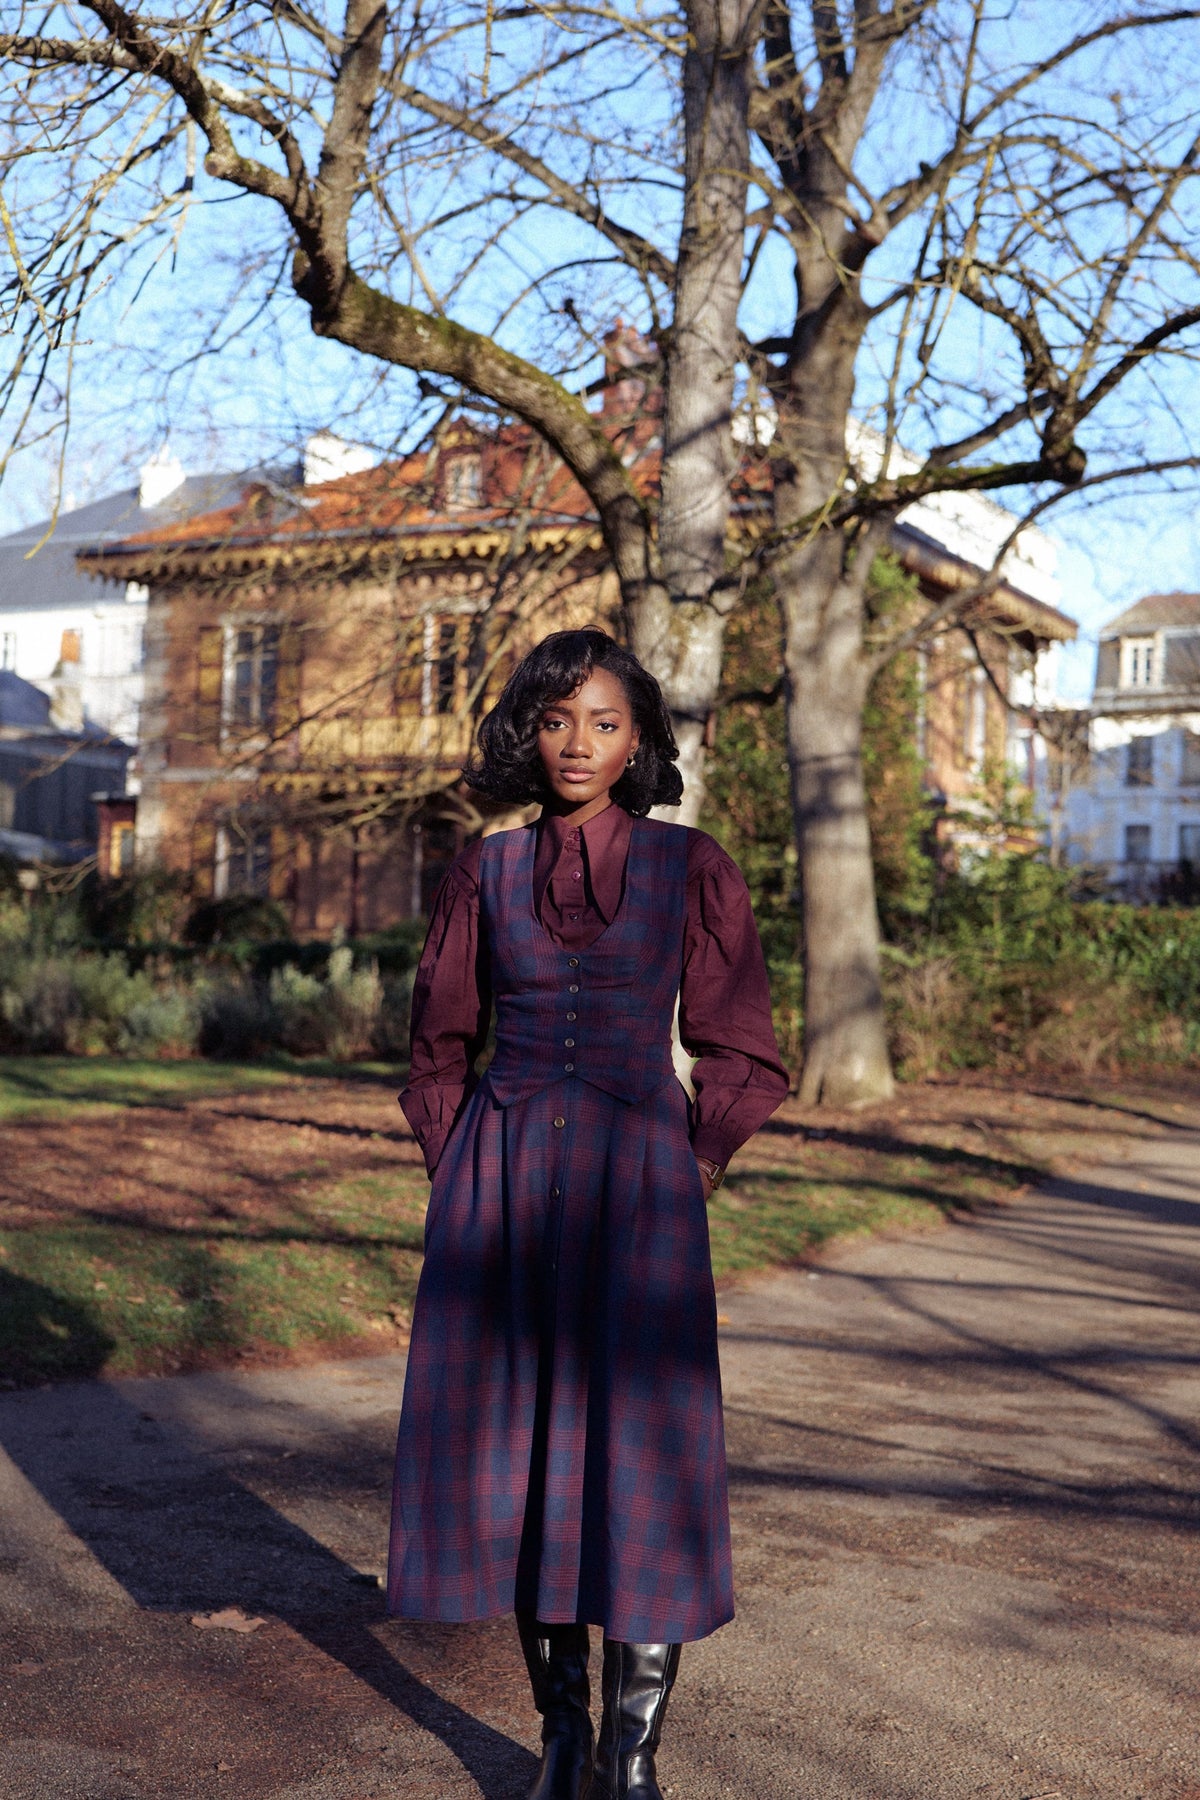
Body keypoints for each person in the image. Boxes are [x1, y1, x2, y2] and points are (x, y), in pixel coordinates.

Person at [389, 627, 788, 1800]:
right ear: (530, 729)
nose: (577, 743)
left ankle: (633, 1756)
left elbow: (743, 1046)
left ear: (638, 743)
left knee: (644, 1450)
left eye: (604, 723)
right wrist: (458, 1162)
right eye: (558, 720)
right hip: (501, 1194)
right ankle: (562, 1741)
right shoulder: (486, 872)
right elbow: (437, 1045)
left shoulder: (690, 867)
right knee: (522, 1456)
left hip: (638, 1193)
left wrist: (699, 1159)